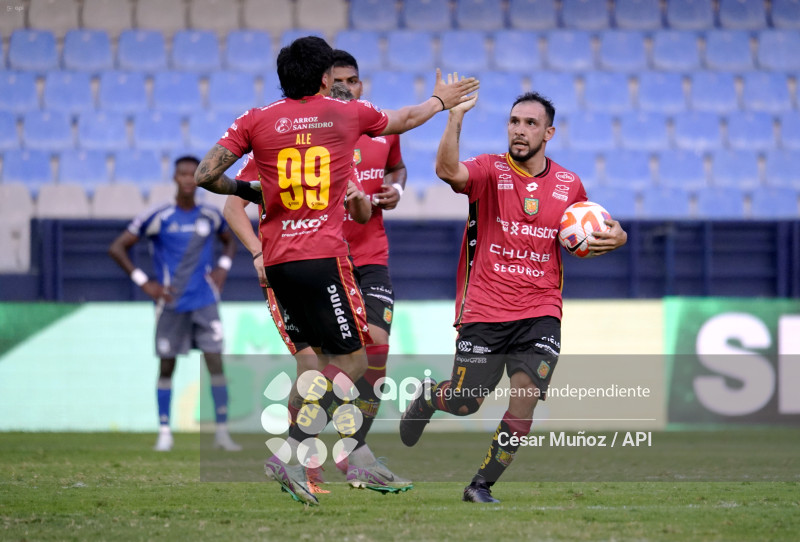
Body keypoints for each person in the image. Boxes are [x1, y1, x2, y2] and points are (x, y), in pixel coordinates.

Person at [193, 36, 478, 506]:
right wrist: (440, 100)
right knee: (354, 361)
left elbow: (206, 174)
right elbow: (404, 119)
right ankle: (303, 451)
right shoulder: (344, 114)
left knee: (312, 362)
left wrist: (254, 190)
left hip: (279, 264)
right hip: (324, 257)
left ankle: (308, 456)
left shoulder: (255, 119)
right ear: (325, 78)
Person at [399, 90, 628, 503]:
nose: (520, 131)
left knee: (524, 399)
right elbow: (446, 170)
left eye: (530, 124)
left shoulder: (569, 184)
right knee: (465, 403)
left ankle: (480, 485)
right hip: (484, 308)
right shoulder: (489, 170)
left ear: (549, 132)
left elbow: (603, 227)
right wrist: (455, 119)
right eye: (514, 122)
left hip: (541, 310)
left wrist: (619, 236)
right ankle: (431, 397)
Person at [222, 52, 410, 492]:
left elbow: (374, 198)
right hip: (309, 261)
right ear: (323, 85)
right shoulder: (290, 141)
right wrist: (256, 252)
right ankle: (306, 457)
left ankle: (351, 451)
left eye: (353, 80)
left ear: (361, 87)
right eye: (337, 79)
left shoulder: (373, 133)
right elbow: (233, 203)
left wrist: (383, 192)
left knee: (372, 349)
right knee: (315, 367)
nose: (345, 87)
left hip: (364, 259)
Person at [109, 156, 241, 452]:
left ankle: (221, 432)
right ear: (174, 178)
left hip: (205, 301)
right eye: (181, 174)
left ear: (197, 179)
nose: (186, 179)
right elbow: (117, 248)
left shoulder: (210, 215)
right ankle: (165, 432)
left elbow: (230, 240)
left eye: (190, 175)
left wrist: (222, 265)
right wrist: (145, 282)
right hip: (171, 303)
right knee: (167, 367)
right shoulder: (158, 217)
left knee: (216, 364)